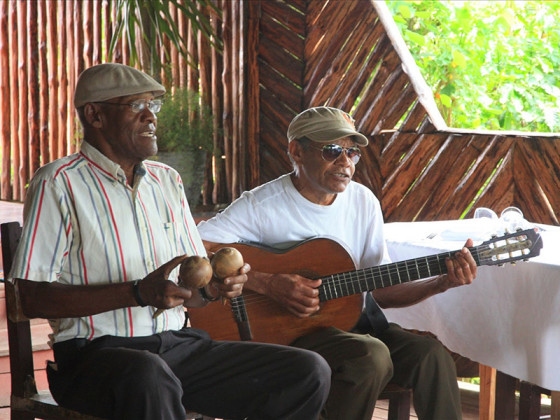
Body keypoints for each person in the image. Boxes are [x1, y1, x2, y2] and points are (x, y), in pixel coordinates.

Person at [8, 63, 331, 420]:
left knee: (307, 371)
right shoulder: (59, 183)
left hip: (179, 349)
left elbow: (188, 291)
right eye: (136, 106)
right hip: (95, 358)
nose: (150, 117)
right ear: (95, 115)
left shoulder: (167, 182)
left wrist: (213, 290)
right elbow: (33, 297)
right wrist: (136, 293)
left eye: (153, 106)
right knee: (148, 375)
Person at [197, 106, 478, 420]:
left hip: (353, 325)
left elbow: (380, 291)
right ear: (296, 151)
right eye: (332, 151)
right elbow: (195, 247)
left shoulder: (363, 202)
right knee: (370, 357)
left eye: (352, 152)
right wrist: (267, 282)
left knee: (431, 356)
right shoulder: (262, 205)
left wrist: (440, 282)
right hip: (287, 336)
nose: (345, 162)